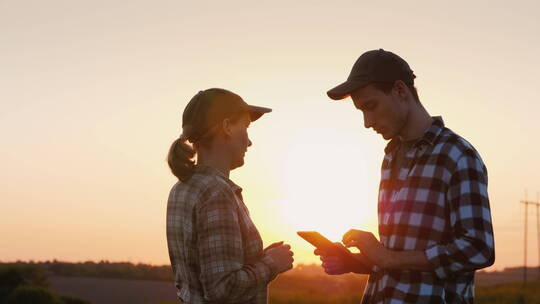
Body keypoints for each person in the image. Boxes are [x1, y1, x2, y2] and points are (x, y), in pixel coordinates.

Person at [316, 49, 495, 303]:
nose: (367, 122)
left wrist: (387, 257)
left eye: (371, 106)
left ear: (400, 91)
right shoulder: (390, 157)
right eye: (361, 111)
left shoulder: (457, 155)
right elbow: (402, 257)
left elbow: (479, 249)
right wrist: (359, 262)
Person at [166, 88, 294, 304]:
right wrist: (272, 264)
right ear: (226, 127)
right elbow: (221, 289)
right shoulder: (217, 193)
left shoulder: (181, 189)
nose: (249, 142)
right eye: (245, 126)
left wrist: (258, 259)